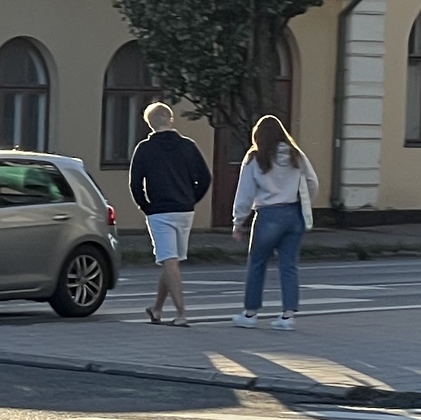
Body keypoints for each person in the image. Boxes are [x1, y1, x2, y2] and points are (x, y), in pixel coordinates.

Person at [229, 113, 320, 331]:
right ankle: (288, 316)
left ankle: (250, 313)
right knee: (289, 265)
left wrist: (238, 221)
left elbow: (245, 193)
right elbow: (312, 182)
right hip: (294, 214)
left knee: (257, 263)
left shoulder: (255, 158)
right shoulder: (295, 155)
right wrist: (305, 202)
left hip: (268, 215)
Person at [127, 102, 211, 325]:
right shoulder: (188, 146)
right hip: (184, 211)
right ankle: (156, 309)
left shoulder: (144, 149)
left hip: (160, 212)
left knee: (169, 261)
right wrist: (191, 199)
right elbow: (205, 178)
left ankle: (181, 314)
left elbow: (135, 184)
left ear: (149, 124)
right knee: (170, 260)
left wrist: (146, 207)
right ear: (170, 119)